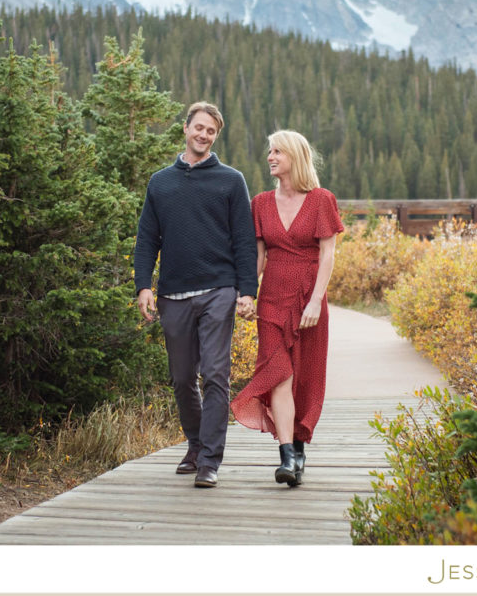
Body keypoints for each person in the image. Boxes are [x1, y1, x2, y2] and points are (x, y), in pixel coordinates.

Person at [134, 101, 258, 489]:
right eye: (199, 128)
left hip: (219, 290)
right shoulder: (160, 182)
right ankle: (195, 443)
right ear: (185, 128)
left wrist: (247, 291)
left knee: (216, 374)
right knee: (182, 376)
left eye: (212, 132)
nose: (204, 135)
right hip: (173, 294)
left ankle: (209, 461)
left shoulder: (231, 180)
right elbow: (146, 240)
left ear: (215, 137)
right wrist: (143, 286)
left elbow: (244, 241)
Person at [230, 130, 345, 487]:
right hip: (273, 300)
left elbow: (328, 253)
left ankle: (299, 446)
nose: (270, 157)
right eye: (269, 151)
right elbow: (259, 256)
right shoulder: (261, 203)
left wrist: (315, 300)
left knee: (306, 377)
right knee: (278, 373)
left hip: (310, 300)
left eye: (277, 151)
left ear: (294, 156)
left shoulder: (322, 199)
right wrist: (247, 293)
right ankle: (286, 457)